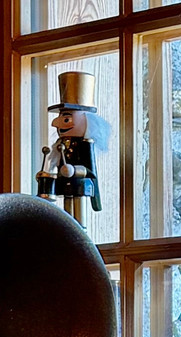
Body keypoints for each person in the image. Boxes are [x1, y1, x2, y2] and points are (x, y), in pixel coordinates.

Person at [35, 71, 110, 227]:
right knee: (67, 206)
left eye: (66, 118)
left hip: (80, 183)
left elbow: (89, 170)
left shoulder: (86, 144)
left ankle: (80, 230)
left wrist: (74, 170)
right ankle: (69, 228)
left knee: (78, 205)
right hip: (65, 182)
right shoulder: (60, 144)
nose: (56, 124)